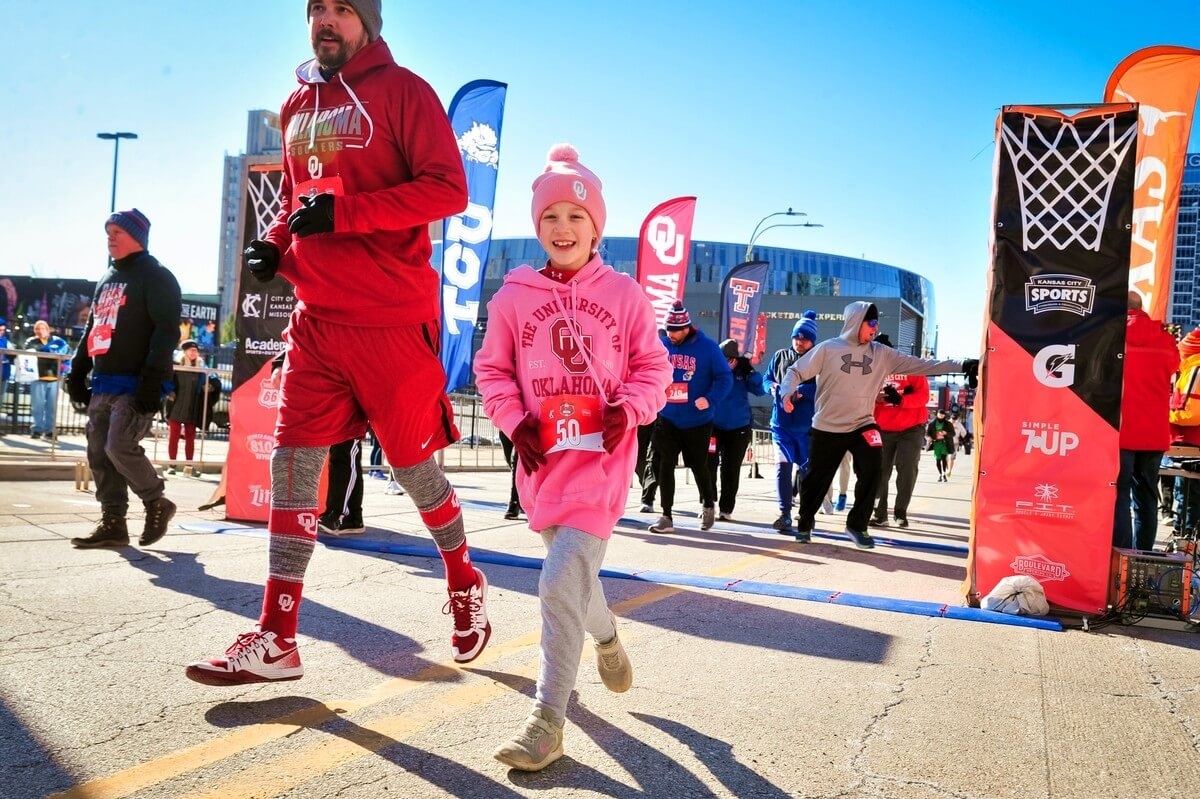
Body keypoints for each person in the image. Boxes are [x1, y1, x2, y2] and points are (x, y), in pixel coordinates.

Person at [185, 0, 490, 685]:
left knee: (414, 467)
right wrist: (276, 245)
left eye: (342, 8)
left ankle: (464, 576)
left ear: (369, 21)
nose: (326, 19)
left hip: (390, 317)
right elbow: (301, 205)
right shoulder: (296, 105)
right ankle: (277, 636)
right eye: (316, 7)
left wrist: (346, 214)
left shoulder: (406, 91)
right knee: (294, 465)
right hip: (318, 317)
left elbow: (448, 189)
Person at [474, 144, 671, 771]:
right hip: (542, 466)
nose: (563, 228)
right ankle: (606, 636)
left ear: (596, 227)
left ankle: (546, 722)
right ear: (538, 227)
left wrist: (628, 410)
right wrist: (513, 424)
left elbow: (654, 367)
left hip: (603, 463)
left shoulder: (624, 294)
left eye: (576, 217)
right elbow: (492, 370)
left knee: (560, 578)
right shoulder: (513, 297)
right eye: (550, 217)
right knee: (574, 579)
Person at [782, 301, 976, 548]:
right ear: (855, 322)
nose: (875, 328)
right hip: (828, 425)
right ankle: (805, 522)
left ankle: (857, 525)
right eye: (870, 323)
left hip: (863, 423)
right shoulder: (827, 349)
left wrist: (962, 365)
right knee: (817, 478)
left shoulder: (881, 353)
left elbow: (922, 365)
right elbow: (795, 372)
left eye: (877, 323)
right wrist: (787, 394)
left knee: (874, 468)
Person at [66, 208, 181, 549]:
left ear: (137, 236)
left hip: (135, 384)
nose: (110, 236)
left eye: (117, 231)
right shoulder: (106, 278)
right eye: (108, 231)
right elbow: (93, 328)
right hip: (103, 382)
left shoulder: (157, 276)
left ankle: (156, 500)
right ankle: (113, 522)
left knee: (119, 446)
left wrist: (152, 380)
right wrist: (76, 371)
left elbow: (165, 331)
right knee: (99, 454)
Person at [646, 300, 732, 534]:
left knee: (698, 464)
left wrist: (710, 399)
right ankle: (666, 515)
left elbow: (725, 378)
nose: (671, 335)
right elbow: (648, 371)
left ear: (687, 328)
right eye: (668, 330)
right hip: (667, 417)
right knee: (665, 465)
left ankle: (707, 503)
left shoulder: (708, 348)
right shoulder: (662, 345)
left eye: (675, 331)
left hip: (697, 420)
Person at [1114, 291, 1179, 550]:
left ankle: (1120, 557)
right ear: (1142, 307)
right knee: (1148, 498)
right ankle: (1142, 555)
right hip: (1154, 433)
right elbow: (1175, 367)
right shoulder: (1165, 339)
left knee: (1119, 496)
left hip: (1122, 431)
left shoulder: (1113, 338)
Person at [763, 313, 819, 532]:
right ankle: (785, 513)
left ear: (813, 340)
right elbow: (765, 379)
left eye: (805, 338)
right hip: (781, 425)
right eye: (796, 337)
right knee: (782, 469)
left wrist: (802, 391)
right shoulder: (779, 356)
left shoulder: (818, 359)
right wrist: (773, 388)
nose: (799, 341)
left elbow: (825, 387)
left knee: (806, 472)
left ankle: (807, 514)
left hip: (807, 427)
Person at [871, 334, 930, 528]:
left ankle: (900, 512)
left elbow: (923, 396)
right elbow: (858, 395)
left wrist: (902, 400)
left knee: (907, 470)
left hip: (911, 429)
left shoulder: (909, 366)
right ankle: (880, 513)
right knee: (880, 472)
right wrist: (875, 398)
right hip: (882, 428)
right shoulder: (869, 370)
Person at [709, 339, 765, 520]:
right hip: (713, 426)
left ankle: (726, 509)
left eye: (730, 359)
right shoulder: (713, 371)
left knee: (730, 469)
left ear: (735, 359)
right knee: (708, 464)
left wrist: (750, 371)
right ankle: (708, 501)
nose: (726, 363)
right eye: (722, 358)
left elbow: (761, 389)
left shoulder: (742, 373)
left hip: (738, 428)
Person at [166, 340, 216, 474]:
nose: (193, 353)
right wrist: (169, 391)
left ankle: (189, 465)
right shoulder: (176, 367)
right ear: (185, 352)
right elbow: (167, 380)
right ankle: (172, 464)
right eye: (191, 350)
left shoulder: (201, 369)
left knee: (190, 437)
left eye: (195, 350)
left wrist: (209, 387)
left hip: (192, 407)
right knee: (174, 436)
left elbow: (214, 382)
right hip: (176, 406)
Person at [23, 320, 70, 439]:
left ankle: (49, 431)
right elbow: (32, 354)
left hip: (54, 378)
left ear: (47, 330)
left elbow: (66, 353)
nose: (40, 331)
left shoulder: (58, 341)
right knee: (37, 406)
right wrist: (51, 353)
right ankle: (37, 430)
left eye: (43, 328)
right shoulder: (31, 342)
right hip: (38, 378)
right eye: (37, 329)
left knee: (51, 407)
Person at [318, 437, 366, 535]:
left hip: (350, 425)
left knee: (345, 456)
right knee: (343, 458)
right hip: (343, 424)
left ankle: (338, 515)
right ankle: (352, 518)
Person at [926, 409, 955, 482]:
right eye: (940, 414)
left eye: (943, 414)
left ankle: (944, 474)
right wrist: (928, 438)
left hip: (944, 443)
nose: (941, 415)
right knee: (938, 460)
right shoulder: (932, 424)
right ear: (937, 414)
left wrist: (946, 433)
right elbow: (927, 434)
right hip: (936, 443)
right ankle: (940, 474)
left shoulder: (948, 424)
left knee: (943, 458)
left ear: (945, 415)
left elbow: (953, 433)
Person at [0, 318, 13, 433]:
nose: (1, 332)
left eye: (3, 330)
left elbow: (13, 354)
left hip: (3, 374)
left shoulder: (6, 341)